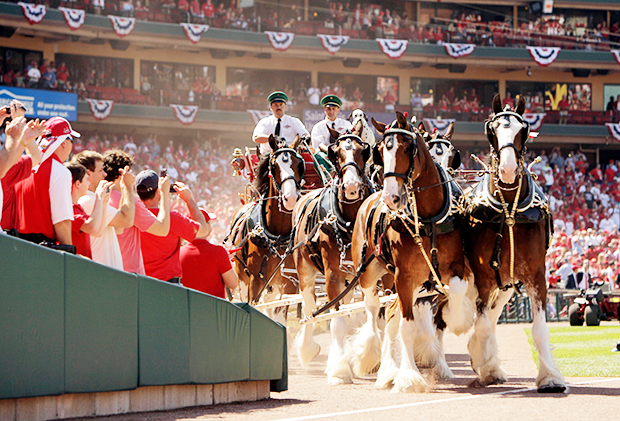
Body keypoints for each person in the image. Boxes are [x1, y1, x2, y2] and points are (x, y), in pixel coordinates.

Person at [103, 149, 171, 275]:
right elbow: (162, 229)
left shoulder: (100, 196)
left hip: (106, 268)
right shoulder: (130, 201)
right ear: (122, 173)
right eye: (130, 171)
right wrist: (164, 193)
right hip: (129, 275)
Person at [15, 117, 78, 248]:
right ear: (63, 143)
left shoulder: (24, 164)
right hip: (42, 249)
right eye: (71, 139)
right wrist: (70, 254)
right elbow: (62, 221)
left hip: (15, 243)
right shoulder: (60, 171)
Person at [136, 170, 209, 283]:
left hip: (139, 283)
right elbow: (204, 230)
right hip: (168, 285)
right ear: (158, 190)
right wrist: (189, 199)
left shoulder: (132, 218)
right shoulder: (173, 219)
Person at [73, 150, 135, 270]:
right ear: (88, 174)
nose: (105, 174)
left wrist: (123, 187)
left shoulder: (93, 198)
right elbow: (127, 220)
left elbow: (119, 229)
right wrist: (128, 186)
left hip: (105, 272)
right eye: (101, 170)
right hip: (101, 272)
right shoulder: (88, 200)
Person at [0, 102, 44, 230]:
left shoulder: (7, 167)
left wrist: (23, 137)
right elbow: (36, 157)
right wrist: (19, 135)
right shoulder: (6, 169)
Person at [180, 209, 238, 298]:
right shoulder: (218, 252)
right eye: (209, 222)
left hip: (188, 309)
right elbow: (233, 283)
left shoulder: (178, 253)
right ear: (205, 226)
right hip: (214, 310)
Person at [66, 162, 112, 259]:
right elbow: (92, 227)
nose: (88, 183)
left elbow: (98, 232)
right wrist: (99, 197)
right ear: (78, 184)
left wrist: (103, 202)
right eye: (86, 179)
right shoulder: (69, 208)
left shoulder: (77, 207)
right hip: (74, 265)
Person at [252, 91, 309, 155]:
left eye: (281, 104)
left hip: (289, 154)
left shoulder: (294, 121)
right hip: (268, 155)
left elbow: (305, 134)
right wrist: (273, 138)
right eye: (275, 105)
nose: (278, 107)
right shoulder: (264, 122)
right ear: (271, 107)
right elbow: (256, 138)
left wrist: (306, 137)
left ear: (285, 107)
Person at [310, 94, 353, 175]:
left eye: (333, 109)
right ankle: (328, 181)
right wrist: (333, 152)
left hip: (344, 153)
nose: (331, 111)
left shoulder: (346, 125)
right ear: (324, 110)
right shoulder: (318, 127)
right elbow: (319, 145)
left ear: (338, 110)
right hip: (326, 155)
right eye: (328, 109)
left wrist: (341, 152)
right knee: (318, 156)